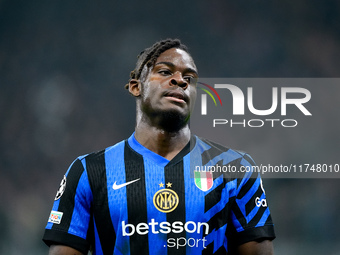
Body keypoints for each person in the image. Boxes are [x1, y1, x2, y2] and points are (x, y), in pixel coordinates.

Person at [43, 38, 275, 255]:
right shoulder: (89, 171)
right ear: (136, 87)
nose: (180, 80)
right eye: (164, 72)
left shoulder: (235, 167)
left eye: (190, 78)